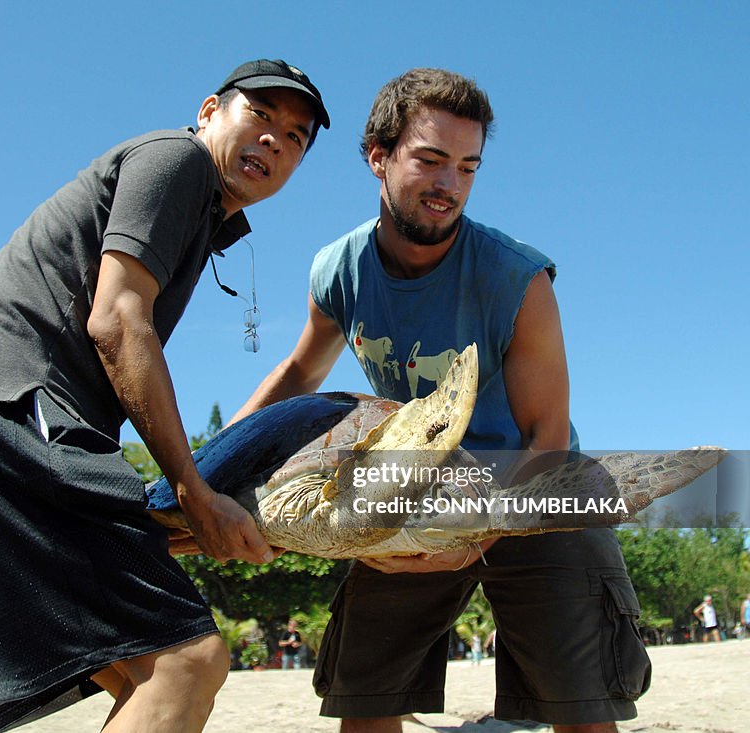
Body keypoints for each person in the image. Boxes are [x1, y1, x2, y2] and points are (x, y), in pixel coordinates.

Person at [0, 58, 328, 733]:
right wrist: (190, 488)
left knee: (141, 667)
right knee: (189, 659)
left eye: (297, 136)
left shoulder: (198, 213)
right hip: (4, 408)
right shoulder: (175, 159)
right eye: (262, 115)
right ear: (210, 110)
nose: (275, 139)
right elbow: (118, 320)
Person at [230, 68, 650, 733]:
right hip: (415, 491)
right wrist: (210, 476)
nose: (448, 183)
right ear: (378, 156)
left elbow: (545, 434)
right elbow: (296, 375)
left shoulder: (518, 279)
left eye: (466, 166)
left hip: (532, 491)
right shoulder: (338, 271)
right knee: (363, 704)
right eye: (429, 159)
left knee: (585, 705)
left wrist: (474, 534)